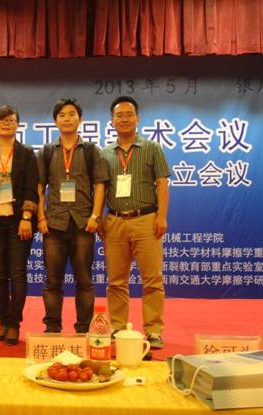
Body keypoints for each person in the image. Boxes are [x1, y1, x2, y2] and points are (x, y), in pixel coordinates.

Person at [99, 96, 171, 349]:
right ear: (112, 121)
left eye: (129, 114)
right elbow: (101, 188)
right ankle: (117, 327)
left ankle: (153, 330)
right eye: (119, 115)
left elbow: (162, 183)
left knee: (152, 280)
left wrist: (161, 216)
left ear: (137, 118)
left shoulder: (152, 148)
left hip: (146, 220)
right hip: (115, 221)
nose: (124, 119)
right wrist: (100, 217)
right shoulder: (105, 153)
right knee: (116, 281)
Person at [37, 97, 109, 333]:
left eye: (71, 114)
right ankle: (52, 327)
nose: (66, 119)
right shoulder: (47, 151)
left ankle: (83, 329)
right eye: (61, 115)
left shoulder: (91, 151)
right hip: (54, 223)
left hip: (83, 223)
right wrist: (41, 217)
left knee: (84, 281)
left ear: (80, 119)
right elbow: (39, 187)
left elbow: (100, 185)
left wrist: (95, 216)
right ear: (55, 121)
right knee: (52, 281)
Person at [0, 105, 39, 346]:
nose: (6, 124)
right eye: (2, 120)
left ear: (17, 125)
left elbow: (32, 186)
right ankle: (3, 321)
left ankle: (14, 324)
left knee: (18, 274)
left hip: (19, 221)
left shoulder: (26, 153)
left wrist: (26, 217)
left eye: (11, 120)